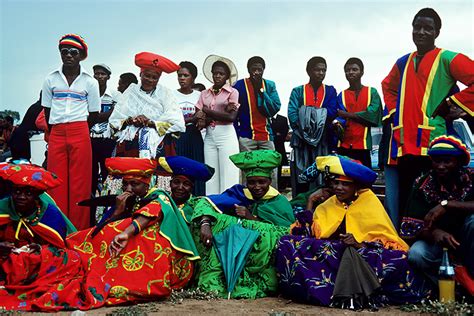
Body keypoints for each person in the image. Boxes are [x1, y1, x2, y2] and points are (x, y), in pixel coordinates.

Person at [276, 155, 431, 307]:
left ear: (356, 186)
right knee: (287, 242)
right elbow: (304, 235)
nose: (338, 188)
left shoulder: (369, 201)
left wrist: (359, 244)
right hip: (329, 254)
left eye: (345, 184)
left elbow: (386, 240)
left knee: (399, 259)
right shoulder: (328, 204)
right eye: (336, 183)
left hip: (360, 252)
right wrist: (310, 202)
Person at [381, 8, 474, 228]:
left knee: (430, 206)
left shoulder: (447, 58)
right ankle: (405, 254)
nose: (421, 32)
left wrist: (454, 103)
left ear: (437, 32)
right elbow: (387, 86)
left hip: (434, 149)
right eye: (417, 27)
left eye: (428, 28)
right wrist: (396, 114)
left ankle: (433, 254)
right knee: (405, 205)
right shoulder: (403, 62)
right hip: (404, 147)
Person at [66, 157, 199, 305]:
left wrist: (126, 233)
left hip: (170, 262)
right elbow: (103, 230)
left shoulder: (159, 196)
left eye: (134, 184)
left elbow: (152, 212)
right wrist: (118, 212)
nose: (128, 189)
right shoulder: (124, 200)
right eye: (125, 184)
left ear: (146, 185)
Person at [0, 163, 109, 311]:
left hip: (37, 258)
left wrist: (38, 248)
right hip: (6, 257)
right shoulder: (3, 207)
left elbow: (58, 245)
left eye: (28, 193)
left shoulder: (49, 214)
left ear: (37, 195)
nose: (21, 197)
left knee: (69, 259)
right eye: (17, 191)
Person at [190, 150, 295, 298]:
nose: (257, 187)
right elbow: (205, 202)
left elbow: (284, 233)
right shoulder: (238, 194)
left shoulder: (279, 202)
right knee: (214, 222)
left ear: (270, 181)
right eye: (252, 182)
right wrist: (205, 224)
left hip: (261, 259)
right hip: (231, 248)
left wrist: (250, 218)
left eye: (262, 182)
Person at [41, 34, 101, 230]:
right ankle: (56, 229)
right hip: (57, 131)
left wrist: (80, 128)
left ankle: (78, 231)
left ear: (81, 55)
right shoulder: (50, 79)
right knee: (56, 182)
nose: (68, 55)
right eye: (64, 51)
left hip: (80, 130)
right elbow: (47, 110)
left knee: (80, 184)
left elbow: (94, 113)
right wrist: (54, 130)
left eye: (73, 52)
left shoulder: (90, 82)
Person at [404, 136, 474, 291]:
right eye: (436, 161)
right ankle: (454, 288)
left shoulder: (471, 177)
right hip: (437, 243)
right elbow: (409, 226)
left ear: (459, 162)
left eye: (447, 161)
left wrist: (448, 205)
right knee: (416, 254)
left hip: (468, 240)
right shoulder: (422, 183)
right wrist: (435, 233)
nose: (441, 166)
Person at [109, 52, 185, 160]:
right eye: (147, 76)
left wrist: (151, 123)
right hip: (130, 143)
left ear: (158, 79)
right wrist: (131, 120)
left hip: (158, 144)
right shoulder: (130, 91)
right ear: (140, 75)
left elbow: (176, 122)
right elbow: (115, 120)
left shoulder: (166, 93)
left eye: (154, 77)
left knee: (157, 174)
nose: (150, 80)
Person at [288, 56, 340, 195]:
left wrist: (306, 113)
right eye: (317, 70)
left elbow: (333, 111)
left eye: (324, 70)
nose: (321, 73)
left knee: (322, 176)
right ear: (309, 71)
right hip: (301, 141)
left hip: (323, 140)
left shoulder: (330, 91)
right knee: (301, 177)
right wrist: (306, 132)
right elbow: (292, 115)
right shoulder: (298, 91)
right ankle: (301, 208)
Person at [195, 55, 240, 194]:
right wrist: (216, 114)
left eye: (221, 73)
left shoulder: (232, 92)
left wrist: (207, 111)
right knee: (211, 173)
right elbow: (198, 115)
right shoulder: (204, 93)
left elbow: (231, 117)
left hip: (226, 134)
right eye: (215, 73)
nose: (218, 76)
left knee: (228, 173)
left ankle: (228, 206)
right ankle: (212, 206)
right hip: (209, 135)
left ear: (227, 76)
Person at [233, 56, 281, 185]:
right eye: (254, 69)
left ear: (264, 70)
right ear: (248, 70)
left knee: (270, 169)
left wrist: (261, 91)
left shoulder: (269, 85)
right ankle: (247, 200)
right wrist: (237, 134)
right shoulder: (239, 85)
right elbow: (234, 110)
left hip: (266, 135)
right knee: (247, 171)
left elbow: (275, 107)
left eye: (260, 70)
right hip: (246, 136)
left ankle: (272, 199)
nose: (257, 72)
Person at [335, 58, 382, 168]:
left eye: (354, 69)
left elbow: (373, 116)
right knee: (345, 183)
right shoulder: (341, 95)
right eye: (347, 70)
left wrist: (347, 115)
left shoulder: (372, 92)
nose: (351, 72)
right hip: (344, 146)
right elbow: (339, 118)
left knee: (364, 182)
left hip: (363, 146)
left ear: (362, 72)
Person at [174, 61, 206, 196]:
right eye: (179, 75)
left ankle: (197, 200)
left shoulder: (200, 96)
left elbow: (204, 116)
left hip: (195, 137)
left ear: (193, 77)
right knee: (178, 171)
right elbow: (171, 120)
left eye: (185, 75)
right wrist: (192, 119)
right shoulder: (171, 95)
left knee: (195, 169)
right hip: (177, 137)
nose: (182, 78)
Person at [90, 64, 119, 199]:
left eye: (102, 74)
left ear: (108, 76)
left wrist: (94, 117)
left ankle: (107, 199)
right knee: (91, 172)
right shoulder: (88, 93)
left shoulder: (115, 95)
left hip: (107, 139)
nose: (99, 76)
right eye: (97, 74)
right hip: (90, 138)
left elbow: (116, 114)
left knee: (108, 171)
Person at [271, 114, 290, 190]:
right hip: (270, 146)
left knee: (282, 165)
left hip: (280, 147)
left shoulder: (283, 119)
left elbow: (283, 133)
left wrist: (277, 135)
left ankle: (282, 185)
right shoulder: (265, 119)